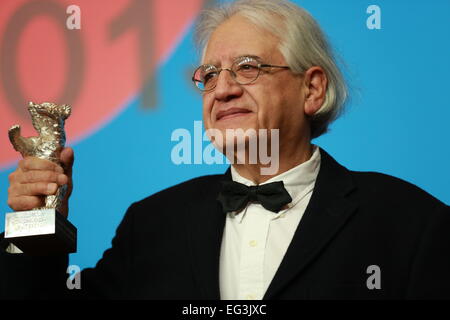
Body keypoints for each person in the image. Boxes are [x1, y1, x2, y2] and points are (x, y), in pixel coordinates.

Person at [1, 0, 449, 300]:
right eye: (209, 75)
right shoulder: (151, 223)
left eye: (248, 68)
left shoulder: (412, 223)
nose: (223, 89)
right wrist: (37, 226)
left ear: (311, 90)